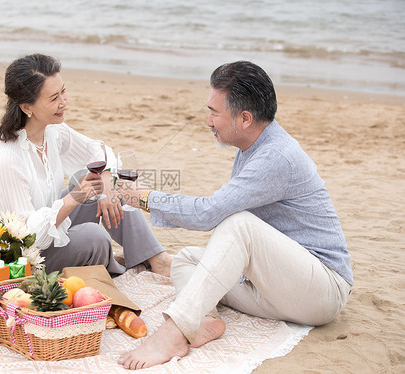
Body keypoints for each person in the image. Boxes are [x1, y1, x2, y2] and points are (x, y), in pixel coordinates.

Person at [115, 61, 353, 370]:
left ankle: (174, 331)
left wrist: (143, 197)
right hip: (275, 287)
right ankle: (204, 321)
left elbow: (208, 213)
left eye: (214, 112)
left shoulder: (275, 157)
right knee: (187, 258)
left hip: (320, 291)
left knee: (238, 224)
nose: (208, 121)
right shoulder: (250, 146)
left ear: (245, 118)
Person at [0, 53, 172, 276]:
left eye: (63, 91)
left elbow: (96, 150)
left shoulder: (52, 131)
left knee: (105, 184)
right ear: (26, 107)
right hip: (19, 260)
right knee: (94, 237)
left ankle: (157, 259)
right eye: (53, 98)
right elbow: (27, 237)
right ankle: (112, 272)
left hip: (48, 230)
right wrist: (73, 199)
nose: (63, 102)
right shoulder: (6, 160)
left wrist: (107, 181)